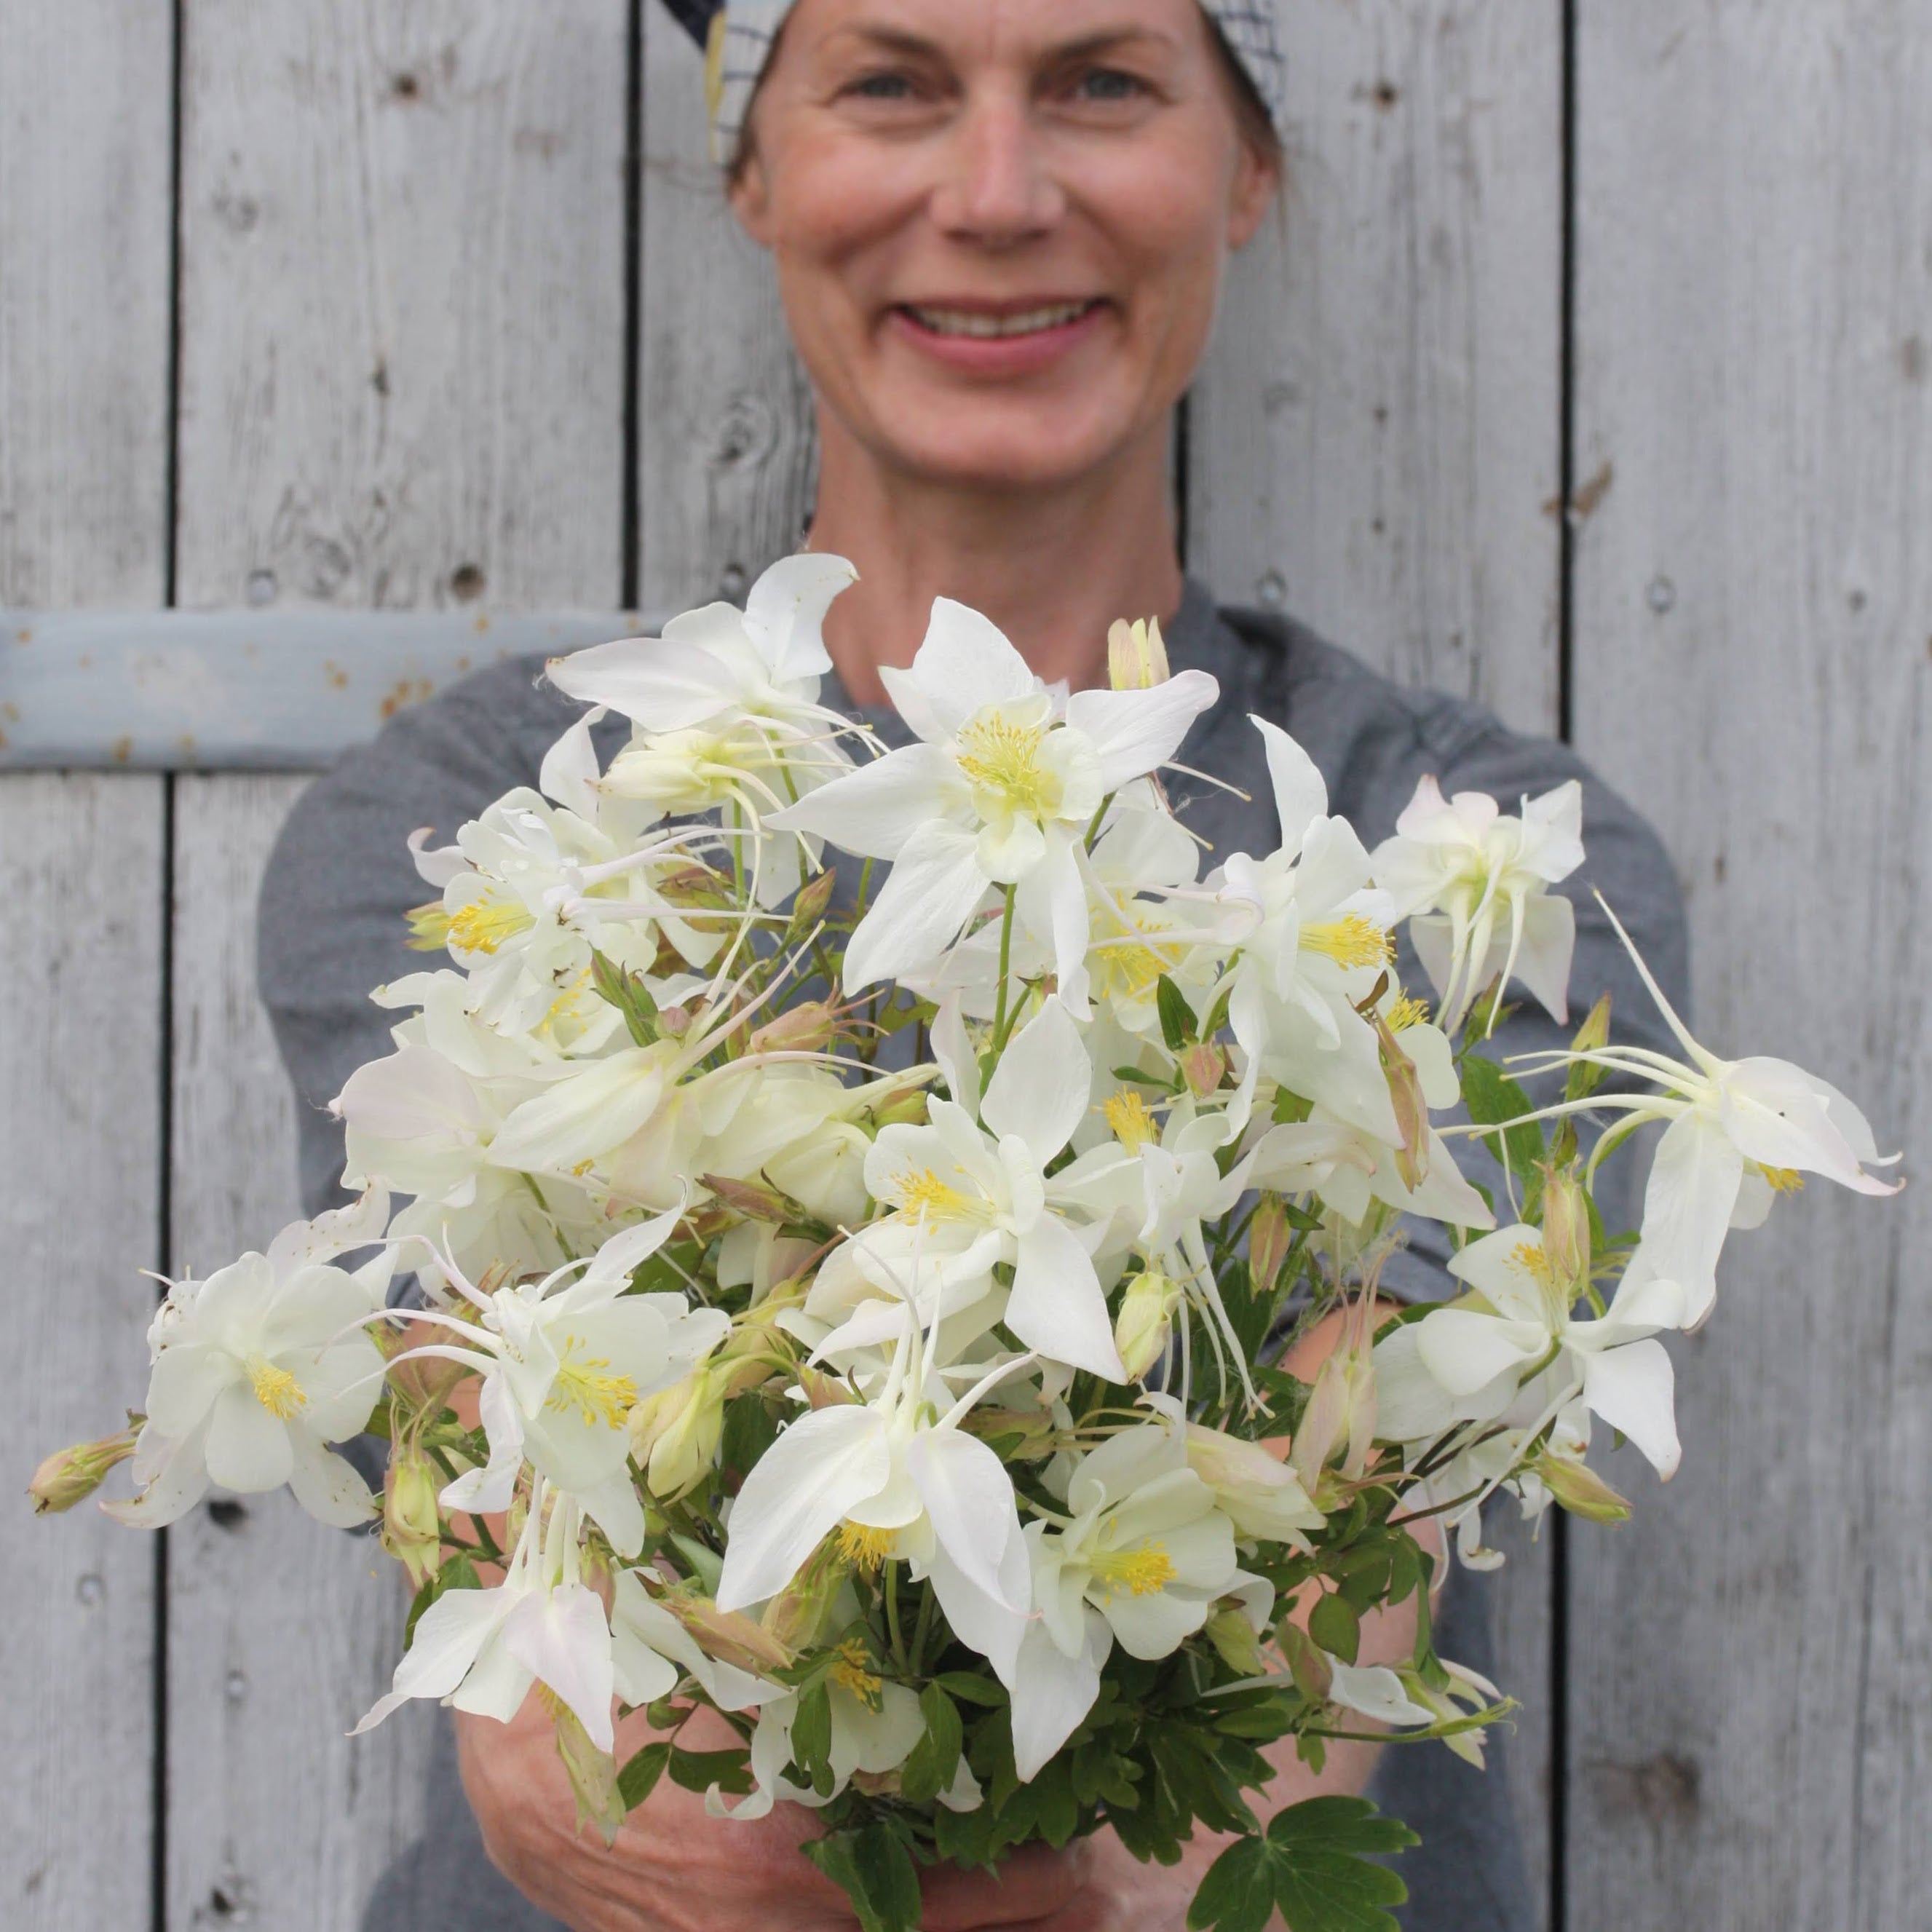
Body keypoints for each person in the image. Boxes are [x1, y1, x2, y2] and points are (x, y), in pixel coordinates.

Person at [258, 3, 1688, 1926]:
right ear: (750, 165)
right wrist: (593, 1767)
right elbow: (459, 1374)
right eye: (890, 84)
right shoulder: (501, 819)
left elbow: (1386, 1414)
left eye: (1103, 82)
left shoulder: (1463, 847)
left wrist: (1148, 1842)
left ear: (1247, 166)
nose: (998, 196)